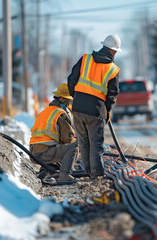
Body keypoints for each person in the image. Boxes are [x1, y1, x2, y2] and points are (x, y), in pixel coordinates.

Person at [67, 34, 121, 179]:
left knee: (83, 142)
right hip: (96, 110)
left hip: (77, 108)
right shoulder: (113, 69)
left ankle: (88, 171)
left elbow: (71, 79)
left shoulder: (85, 59)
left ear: (104, 46)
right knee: (96, 144)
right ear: (113, 51)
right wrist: (107, 111)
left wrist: (76, 97)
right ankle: (96, 176)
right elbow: (112, 95)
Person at [29, 83, 79, 182]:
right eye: (69, 101)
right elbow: (67, 139)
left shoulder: (45, 111)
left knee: (59, 148)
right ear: (63, 100)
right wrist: (79, 141)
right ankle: (65, 175)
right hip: (45, 153)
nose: (70, 104)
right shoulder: (60, 113)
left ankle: (47, 169)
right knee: (75, 146)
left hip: (34, 153)